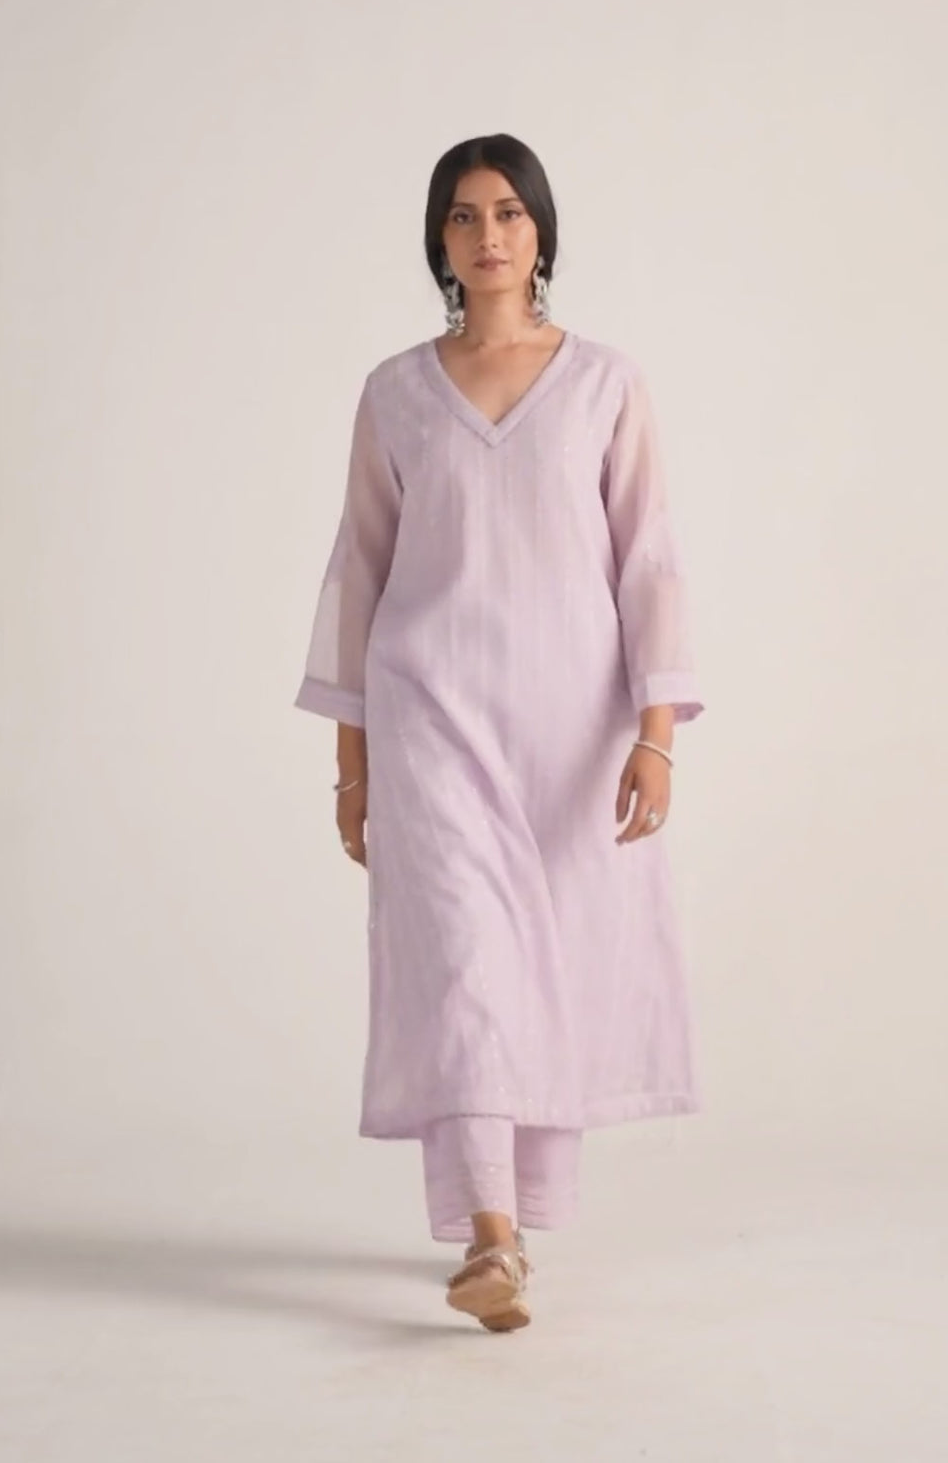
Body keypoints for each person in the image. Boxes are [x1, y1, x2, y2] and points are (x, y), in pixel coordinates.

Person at [293, 133, 705, 1333]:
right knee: (466, 964)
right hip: (429, 713)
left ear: (541, 232)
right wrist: (351, 767)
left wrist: (655, 733)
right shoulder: (395, 393)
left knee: (547, 967)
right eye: (465, 215)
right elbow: (359, 574)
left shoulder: (606, 383)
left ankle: (517, 1221)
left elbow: (649, 559)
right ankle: (489, 1235)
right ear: (439, 239)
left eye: (510, 213)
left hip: (571, 729)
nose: (488, 235)